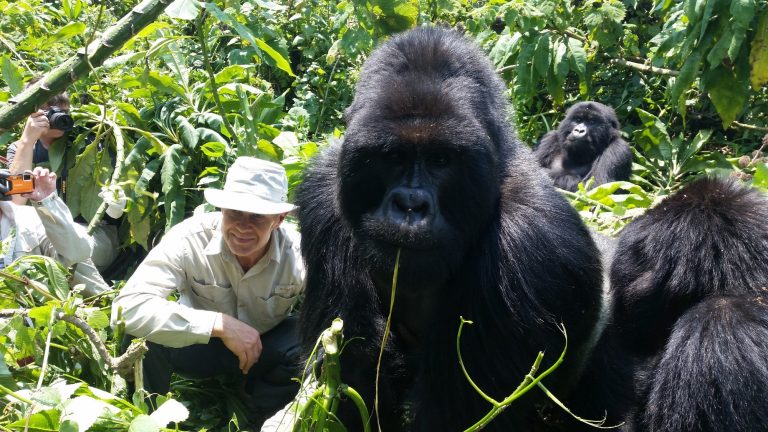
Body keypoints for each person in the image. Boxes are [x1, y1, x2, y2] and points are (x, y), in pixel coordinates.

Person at [111, 157, 304, 424]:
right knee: (145, 336)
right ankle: (148, 415)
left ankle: (263, 417)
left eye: (258, 217)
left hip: (264, 350)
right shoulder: (189, 238)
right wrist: (219, 324)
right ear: (221, 209)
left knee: (309, 338)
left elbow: (337, 312)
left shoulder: (300, 252)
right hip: (199, 346)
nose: (243, 226)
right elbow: (126, 309)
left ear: (279, 220)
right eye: (234, 212)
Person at [7, 79, 120, 271]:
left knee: (70, 251)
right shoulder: (20, 149)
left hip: (93, 232)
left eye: (63, 112)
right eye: (49, 112)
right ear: (31, 113)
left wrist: (116, 204)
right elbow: (16, 202)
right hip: (41, 232)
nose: (58, 118)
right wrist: (27, 141)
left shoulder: (91, 142)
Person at [0, 167, 109, 297]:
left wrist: (47, 203)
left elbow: (78, 252)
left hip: (43, 310)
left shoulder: (29, 220)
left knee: (71, 258)